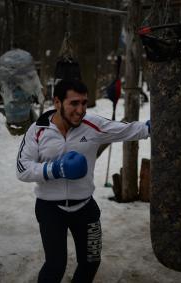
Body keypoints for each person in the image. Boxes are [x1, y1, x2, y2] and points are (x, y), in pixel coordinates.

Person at [16, 79, 150, 283]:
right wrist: (56, 169)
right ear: (58, 102)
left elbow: (124, 129)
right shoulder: (38, 130)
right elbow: (22, 168)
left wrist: (150, 128)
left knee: (91, 261)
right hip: (50, 209)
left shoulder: (92, 125)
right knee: (55, 266)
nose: (81, 110)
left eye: (84, 103)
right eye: (74, 103)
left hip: (85, 207)